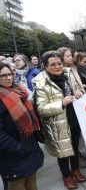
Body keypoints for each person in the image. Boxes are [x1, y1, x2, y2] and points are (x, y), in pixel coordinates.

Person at [32, 51, 86, 190]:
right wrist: (62, 102)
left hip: (73, 117)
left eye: (59, 63)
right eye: (53, 64)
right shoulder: (40, 81)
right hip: (56, 123)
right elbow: (41, 109)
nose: (57, 66)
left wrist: (80, 91)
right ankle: (66, 176)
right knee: (62, 152)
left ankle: (75, 170)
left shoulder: (68, 73)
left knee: (74, 147)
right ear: (45, 66)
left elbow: (79, 88)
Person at [0, 62, 44, 190]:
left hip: (29, 147)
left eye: (10, 74)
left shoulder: (19, 91)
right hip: (13, 154)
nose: (8, 78)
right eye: (3, 76)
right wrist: (19, 148)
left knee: (32, 185)